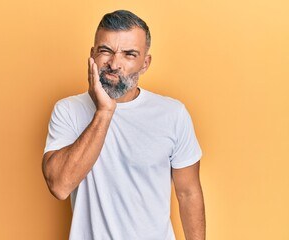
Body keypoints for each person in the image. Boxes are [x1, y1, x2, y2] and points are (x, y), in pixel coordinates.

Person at [42, 10, 205, 240]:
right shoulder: (67, 111)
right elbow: (59, 185)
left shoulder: (172, 114)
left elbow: (188, 194)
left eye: (129, 54)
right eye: (106, 51)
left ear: (145, 63)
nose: (114, 63)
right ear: (92, 55)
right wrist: (105, 111)